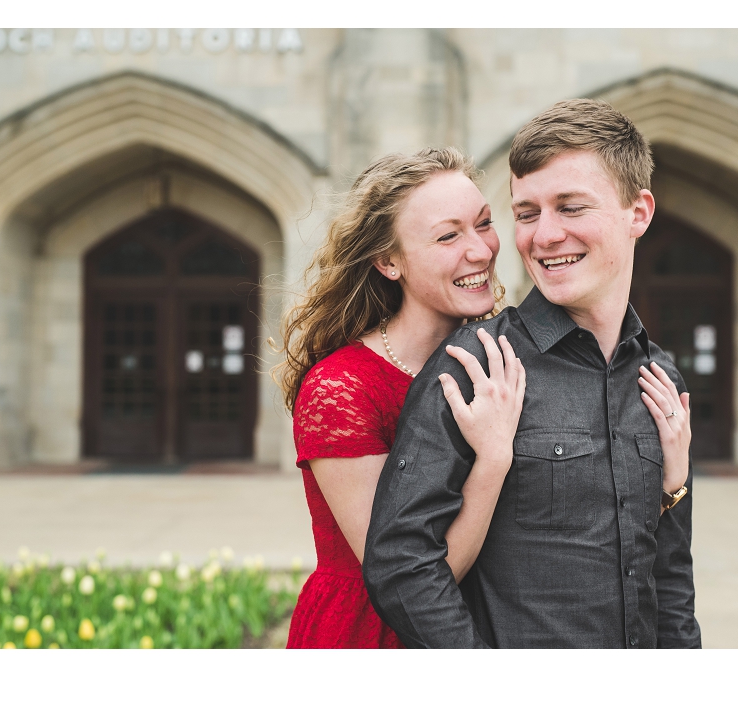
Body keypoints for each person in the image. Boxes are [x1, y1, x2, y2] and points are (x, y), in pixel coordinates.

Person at [362, 99, 698, 648]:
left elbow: (671, 579)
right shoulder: (477, 364)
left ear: (638, 212)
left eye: (570, 207)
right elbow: (400, 563)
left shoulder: (661, 378)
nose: (543, 236)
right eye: (526, 213)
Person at [273, 147, 528, 648]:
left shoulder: (498, 359)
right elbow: (408, 580)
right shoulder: (340, 389)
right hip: (373, 634)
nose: (480, 250)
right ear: (389, 262)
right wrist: (493, 458)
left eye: (483, 223)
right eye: (448, 235)